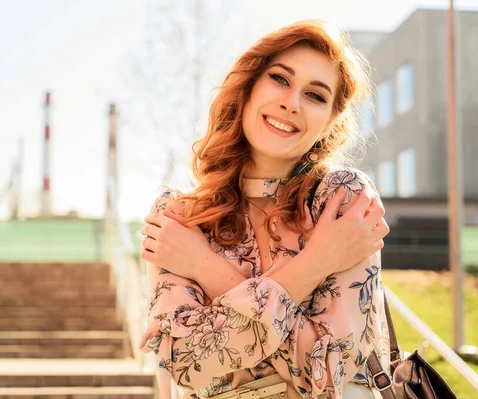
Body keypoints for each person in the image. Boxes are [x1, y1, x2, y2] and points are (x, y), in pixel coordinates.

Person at [139, 20, 392, 399]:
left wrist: (203, 267)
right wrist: (320, 260)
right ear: (249, 88)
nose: (291, 103)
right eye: (280, 79)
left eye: (316, 96)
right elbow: (185, 361)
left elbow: (325, 374)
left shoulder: (341, 201)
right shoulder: (180, 217)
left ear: (329, 124)